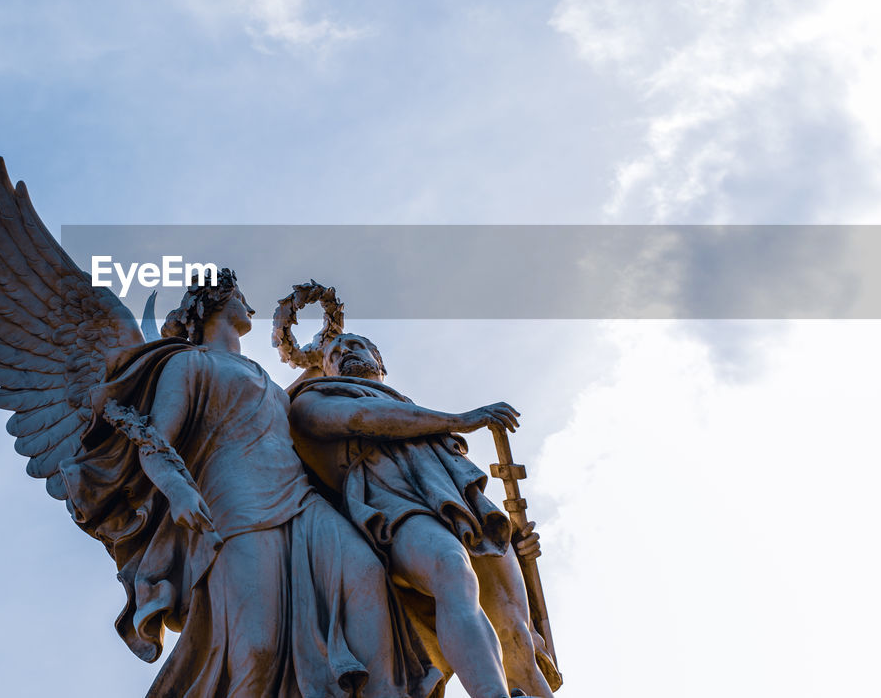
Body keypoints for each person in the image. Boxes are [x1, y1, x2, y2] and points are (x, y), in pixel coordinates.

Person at [61, 274, 439, 698]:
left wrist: (326, 355)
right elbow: (153, 440)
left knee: (369, 575)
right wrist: (179, 490)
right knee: (257, 649)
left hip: (303, 500)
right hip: (236, 506)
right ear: (211, 304)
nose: (251, 308)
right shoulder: (188, 364)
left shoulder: (270, 381)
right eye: (239, 297)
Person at [287, 333, 556, 698]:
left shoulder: (413, 411)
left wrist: (520, 546)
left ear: (380, 362)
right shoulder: (312, 398)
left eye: (355, 345)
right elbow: (361, 418)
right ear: (325, 367)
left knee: (515, 635)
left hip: (465, 504)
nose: (345, 352)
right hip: (389, 501)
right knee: (449, 567)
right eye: (334, 353)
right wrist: (460, 419)